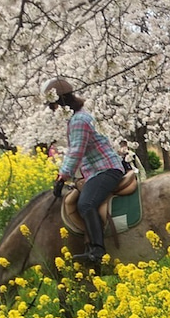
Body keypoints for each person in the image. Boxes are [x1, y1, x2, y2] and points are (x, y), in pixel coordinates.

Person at [43, 76, 125, 269]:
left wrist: (62, 176)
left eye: (53, 105)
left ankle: (97, 249)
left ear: (61, 103)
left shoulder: (79, 120)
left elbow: (76, 150)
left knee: (86, 203)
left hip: (106, 169)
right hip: (95, 171)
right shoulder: (76, 118)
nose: (53, 110)